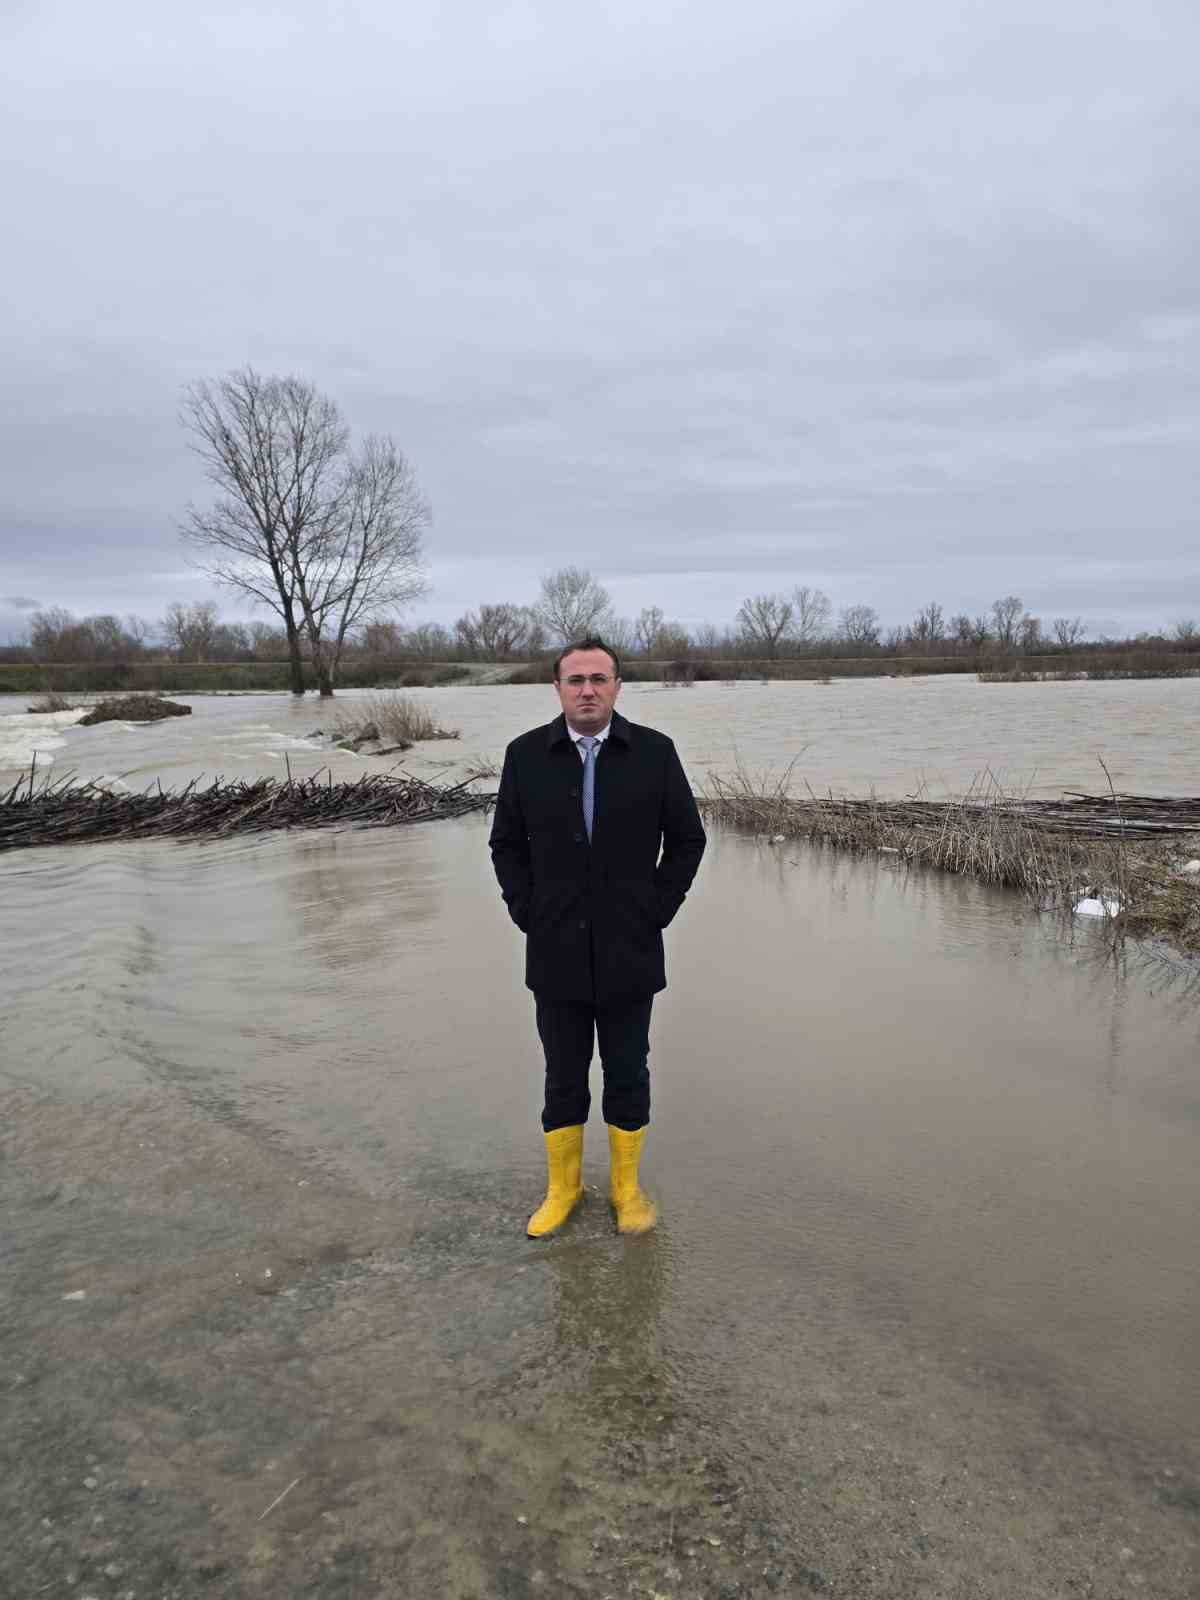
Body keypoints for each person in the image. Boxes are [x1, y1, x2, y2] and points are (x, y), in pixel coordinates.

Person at [488, 636, 706, 1237]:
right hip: (554, 947)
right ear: (557, 688)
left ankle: (625, 1189)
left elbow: (688, 840)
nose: (588, 690)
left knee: (628, 1070)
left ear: (617, 686)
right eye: (576, 680)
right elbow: (505, 845)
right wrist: (527, 911)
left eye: (599, 679)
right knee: (563, 1073)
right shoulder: (525, 755)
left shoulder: (655, 753)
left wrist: (655, 909)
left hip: (630, 948)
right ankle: (562, 1189)